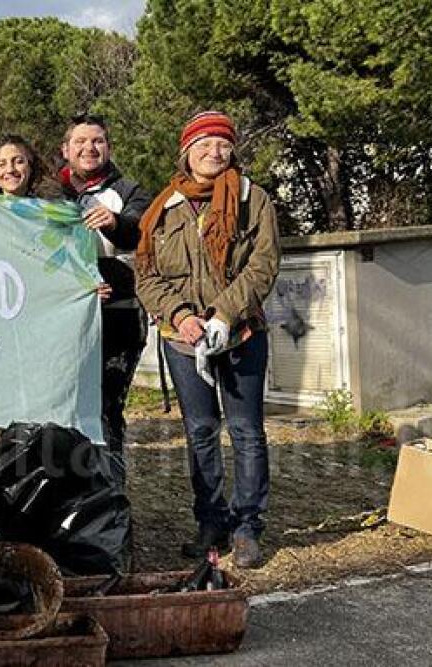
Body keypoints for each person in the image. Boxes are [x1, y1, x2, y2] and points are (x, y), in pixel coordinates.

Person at [134, 110, 281, 568]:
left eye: (222, 144)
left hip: (241, 334)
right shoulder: (165, 207)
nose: (214, 152)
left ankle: (247, 527)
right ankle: (211, 523)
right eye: (204, 145)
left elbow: (263, 264)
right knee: (200, 431)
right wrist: (181, 316)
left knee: (246, 431)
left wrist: (223, 314)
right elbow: (146, 275)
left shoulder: (252, 199)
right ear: (187, 153)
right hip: (183, 340)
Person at [59, 114, 152, 453]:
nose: (89, 148)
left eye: (97, 141)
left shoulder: (130, 191)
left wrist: (115, 224)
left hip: (118, 316)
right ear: (65, 149)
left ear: (109, 147)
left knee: (107, 409)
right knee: (65, 409)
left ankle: (109, 482)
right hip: (63, 320)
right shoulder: (49, 193)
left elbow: (141, 233)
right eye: (80, 141)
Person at [0, 134, 61, 198]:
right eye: (2, 164)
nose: (10, 170)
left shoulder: (51, 208)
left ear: (31, 167)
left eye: (18, 162)